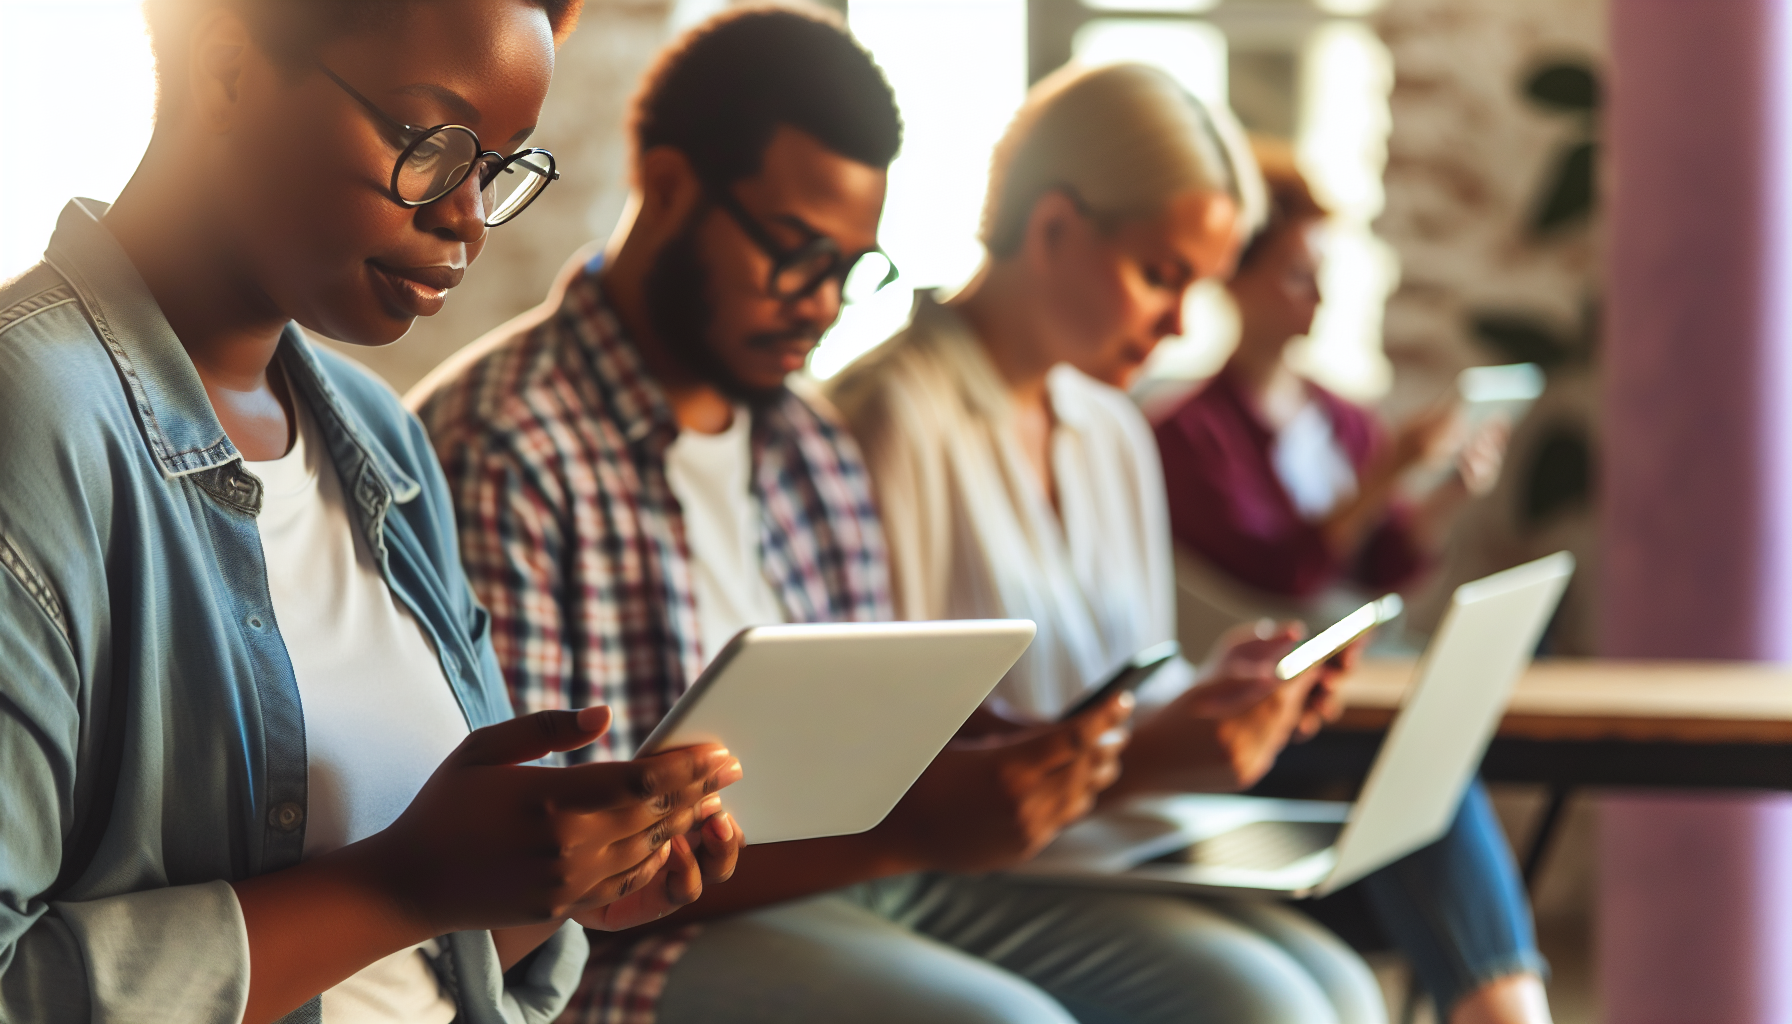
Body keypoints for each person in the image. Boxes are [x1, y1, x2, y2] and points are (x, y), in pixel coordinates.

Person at [414, 11, 1374, 1024]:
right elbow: (549, 873)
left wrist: (995, 771)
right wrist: (914, 824)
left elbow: (872, 744)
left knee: (1290, 994)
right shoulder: (511, 445)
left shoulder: (804, 443)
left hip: (853, 880)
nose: (822, 305)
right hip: (630, 942)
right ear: (671, 183)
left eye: (848, 269)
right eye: (795, 254)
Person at [0, 2, 746, 1022]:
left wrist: (561, 883)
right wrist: (401, 885)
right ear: (227, 73)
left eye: (497, 167)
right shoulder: (31, 422)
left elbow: (415, 957)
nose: (467, 217)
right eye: (432, 142)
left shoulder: (380, 441)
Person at [834, 70, 1541, 1024]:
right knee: (1283, 1007)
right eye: (1159, 276)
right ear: (1052, 230)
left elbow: (1127, 682)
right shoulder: (890, 422)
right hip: (966, 867)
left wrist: (1222, 697)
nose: (1177, 322)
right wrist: (1154, 748)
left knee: (1341, 988)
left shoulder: (1108, 426)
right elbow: (888, 756)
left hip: (1116, 840)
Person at [1155, 141, 1506, 602]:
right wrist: (1387, 471)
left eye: (1321, 275)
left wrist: (1446, 495)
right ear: (1234, 276)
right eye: (1298, 275)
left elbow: (1384, 564)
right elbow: (1279, 581)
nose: (1319, 297)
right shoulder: (1188, 436)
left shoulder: (1344, 418)